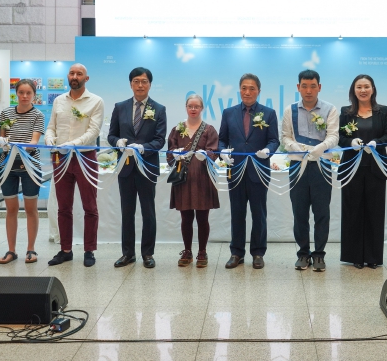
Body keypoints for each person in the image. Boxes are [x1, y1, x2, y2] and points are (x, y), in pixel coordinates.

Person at [44, 63, 104, 267]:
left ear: (86, 78)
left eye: (79, 74)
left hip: (85, 157)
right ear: (67, 76)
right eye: (72, 73)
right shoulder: (59, 100)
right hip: (60, 158)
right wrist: (49, 138)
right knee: (63, 207)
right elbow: (51, 127)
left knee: (90, 206)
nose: (75, 76)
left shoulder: (96, 101)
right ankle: (65, 250)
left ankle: (89, 250)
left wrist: (74, 144)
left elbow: (93, 131)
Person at [108, 67, 167, 269]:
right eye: (136, 81)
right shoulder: (120, 107)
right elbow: (111, 135)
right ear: (130, 84)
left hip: (147, 167)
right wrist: (118, 143)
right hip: (125, 167)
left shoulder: (159, 109)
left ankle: (148, 253)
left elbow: (160, 140)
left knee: (148, 212)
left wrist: (143, 148)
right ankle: (128, 254)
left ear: (150, 84)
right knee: (127, 212)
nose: (140, 85)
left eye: (144, 81)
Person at [218, 73, 279, 269]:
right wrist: (222, 152)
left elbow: (274, 140)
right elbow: (221, 140)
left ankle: (258, 253)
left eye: (252, 88)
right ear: (239, 90)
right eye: (244, 88)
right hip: (235, 170)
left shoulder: (268, 113)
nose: (247, 92)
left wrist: (268, 150)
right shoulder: (229, 113)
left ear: (258, 91)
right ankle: (236, 253)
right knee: (237, 213)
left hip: (258, 170)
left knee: (259, 213)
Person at [281, 70, 339, 272]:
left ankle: (319, 254)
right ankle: (303, 254)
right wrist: (295, 147)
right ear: (298, 87)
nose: (308, 90)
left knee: (322, 212)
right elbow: (285, 137)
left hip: (321, 165)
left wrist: (321, 147)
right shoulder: (290, 110)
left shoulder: (330, 109)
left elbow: (334, 136)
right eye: (304, 86)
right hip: (297, 165)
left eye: (312, 86)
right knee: (300, 212)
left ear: (319, 87)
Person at [337, 74, 387, 269]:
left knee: (374, 213)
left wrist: (377, 143)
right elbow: (339, 137)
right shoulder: (345, 112)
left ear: (373, 89)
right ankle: (355, 256)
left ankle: (372, 257)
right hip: (351, 168)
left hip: (375, 168)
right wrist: (350, 142)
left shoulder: (383, 111)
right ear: (354, 90)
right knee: (352, 212)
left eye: (366, 86)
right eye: (359, 87)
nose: (363, 90)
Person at [166, 94, 219, 268]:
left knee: (203, 217)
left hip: (202, 179)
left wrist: (206, 155)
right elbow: (170, 153)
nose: (193, 109)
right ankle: (187, 251)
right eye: (190, 106)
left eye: (197, 106)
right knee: (186, 217)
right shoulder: (177, 129)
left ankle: (202, 252)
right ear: (186, 108)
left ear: (202, 108)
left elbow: (214, 152)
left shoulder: (209, 130)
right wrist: (175, 154)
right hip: (183, 179)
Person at [0, 79, 45, 264]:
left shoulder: (38, 115)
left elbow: (34, 142)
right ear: (16, 94)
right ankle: (11, 250)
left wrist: (16, 146)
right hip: (7, 165)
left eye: (28, 93)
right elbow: (2, 136)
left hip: (30, 165)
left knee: (31, 209)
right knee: (11, 209)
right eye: (21, 93)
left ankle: (31, 249)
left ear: (34, 95)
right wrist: (2, 141)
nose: (24, 96)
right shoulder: (6, 112)